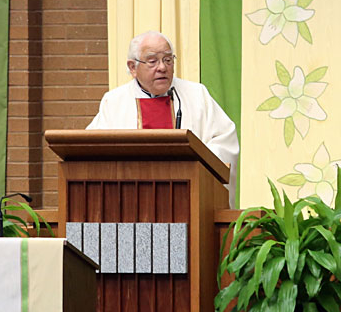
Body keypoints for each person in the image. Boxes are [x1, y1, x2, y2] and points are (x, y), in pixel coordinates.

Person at [87, 31, 240, 207]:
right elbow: (93, 150)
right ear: (132, 67)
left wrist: (196, 168)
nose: (162, 67)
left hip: (188, 200)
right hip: (131, 203)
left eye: (168, 60)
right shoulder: (114, 102)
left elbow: (224, 140)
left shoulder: (196, 95)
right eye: (153, 61)